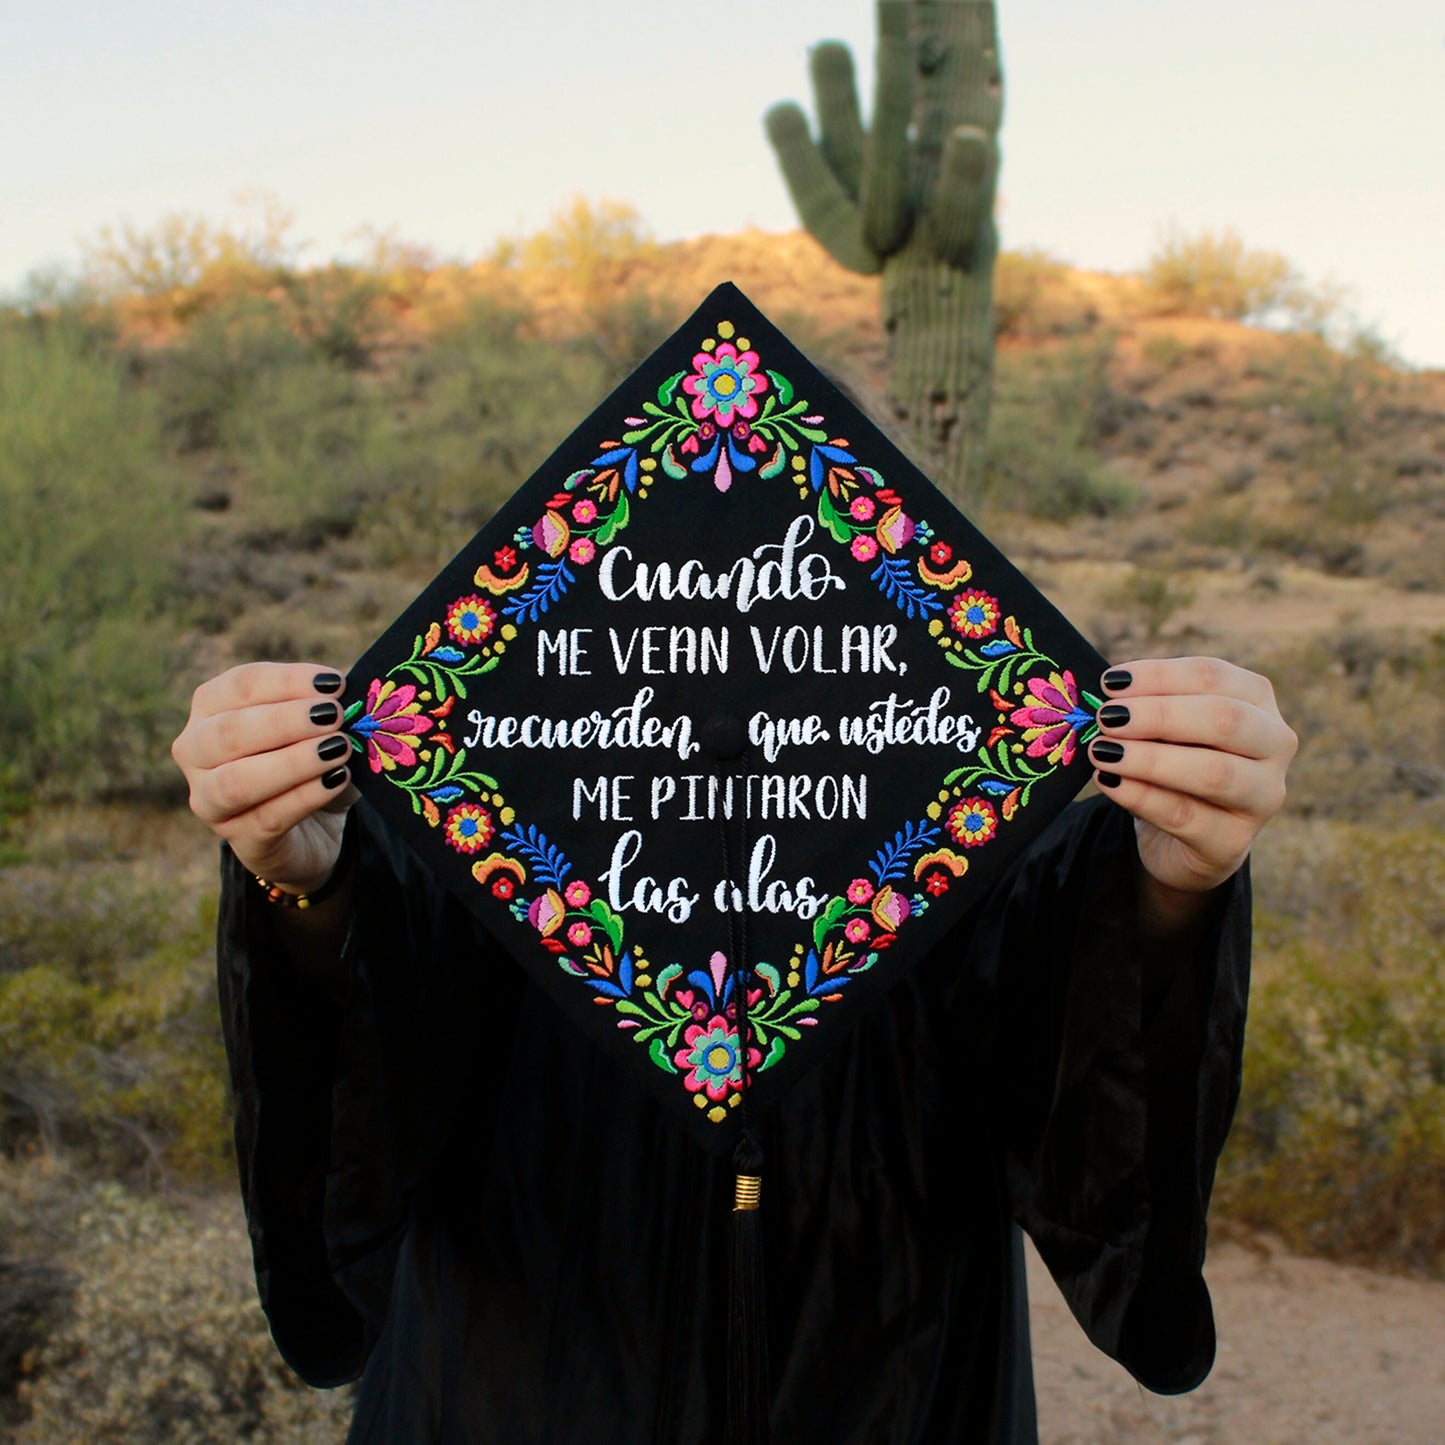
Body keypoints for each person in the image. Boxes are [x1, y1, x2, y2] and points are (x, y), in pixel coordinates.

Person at [172, 652, 1296, 1443]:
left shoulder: (967, 787)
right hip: (506, 1386)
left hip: (895, 1385)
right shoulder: (499, 764)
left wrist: (1166, 885)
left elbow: (1073, 1058)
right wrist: (307, 879)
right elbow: (381, 1022)